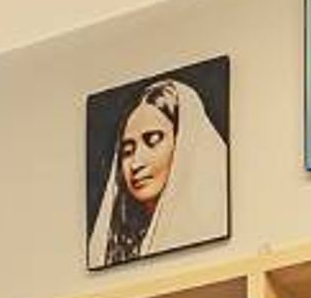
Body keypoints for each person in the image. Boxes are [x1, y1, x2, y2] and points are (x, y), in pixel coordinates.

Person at [89, 73, 229, 269]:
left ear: (182, 144)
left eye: (153, 140)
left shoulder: (211, 225)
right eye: (127, 151)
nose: (136, 163)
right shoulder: (119, 246)